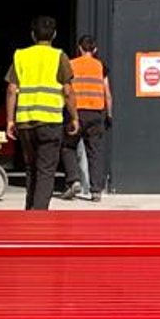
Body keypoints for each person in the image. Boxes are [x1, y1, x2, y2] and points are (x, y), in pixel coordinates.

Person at [6, 16, 73, 210]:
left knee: (31, 169)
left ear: (33, 35)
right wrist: (74, 117)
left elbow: (11, 89)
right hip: (50, 122)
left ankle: (30, 211)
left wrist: (10, 121)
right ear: (54, 35)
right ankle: (38, 217)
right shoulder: (59, 56)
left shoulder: (20, 56)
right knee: (45, 171)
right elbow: (68, 91)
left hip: (25, 122)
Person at [66, 35, 112, 198]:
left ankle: (73, 180)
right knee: (95, 152)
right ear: (95, 50)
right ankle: (96, 191)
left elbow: (66, 90)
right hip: (95, 113)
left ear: (79, 48)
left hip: (76, 113)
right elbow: (107, 93)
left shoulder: (71, 65)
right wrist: (109, 115)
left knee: (67, 146)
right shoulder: (100, 66)